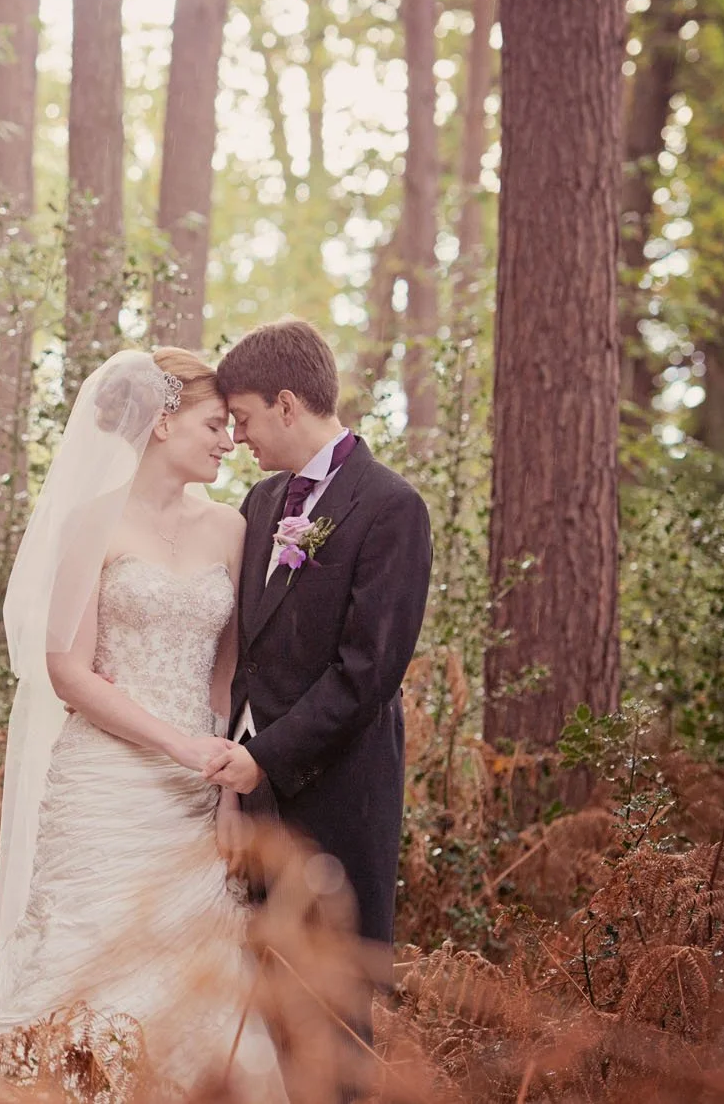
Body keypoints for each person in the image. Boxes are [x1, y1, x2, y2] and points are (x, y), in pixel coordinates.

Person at [0, 347, 285, 1098]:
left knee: (198, 975)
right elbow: (66, 668)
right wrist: (175, 742)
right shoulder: (90, 521)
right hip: (106, 783)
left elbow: (228, 672)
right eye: (214, 423)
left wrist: (224, 776)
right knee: (79, 958)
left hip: (196, 792)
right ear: (162, 421)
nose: (230, 440)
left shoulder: (231, 528)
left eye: (232, 426)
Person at [201, 318, 432, 987]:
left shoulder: (392, 507)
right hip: (251, 793)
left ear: (286, 404)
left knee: (334, 999)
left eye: (243, 419)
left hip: (337, 794)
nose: (237, 437)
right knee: (260, 992)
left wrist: (260, 757)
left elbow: (368, 673)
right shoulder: (262, 499)